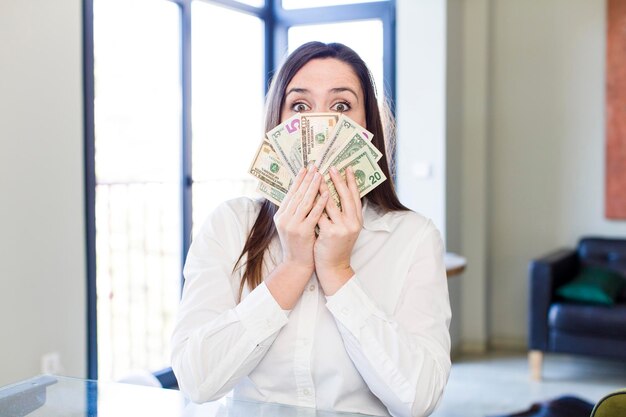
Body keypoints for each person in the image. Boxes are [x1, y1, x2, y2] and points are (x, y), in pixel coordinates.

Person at [171, 41, 451, 417]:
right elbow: (196, 380)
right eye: (300, 106)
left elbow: (419, 398)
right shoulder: (228, 226)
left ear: (367, 127)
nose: (320, 124)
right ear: (278, 123)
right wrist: (294, 267)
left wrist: (338, 272)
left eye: (341, 106)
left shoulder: (414, 237)